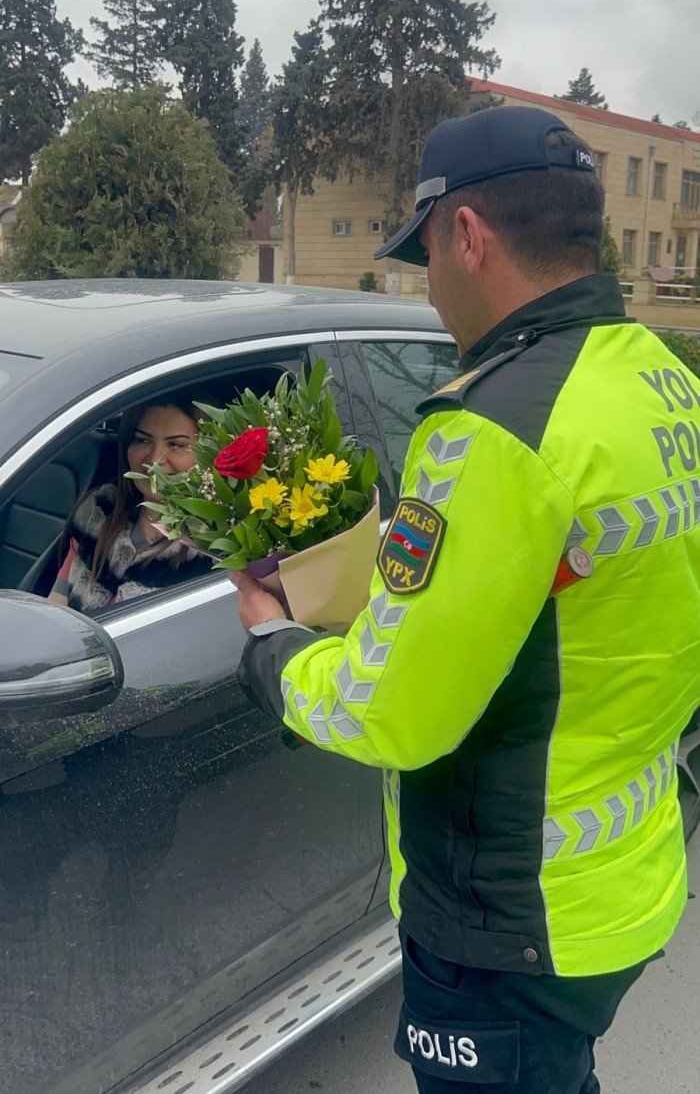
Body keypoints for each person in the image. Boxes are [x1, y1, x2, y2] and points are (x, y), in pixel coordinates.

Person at [233, 106, 700, 1092]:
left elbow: (389, 708)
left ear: (467, 235)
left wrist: (272, 645)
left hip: (508, 919)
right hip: (622, 876)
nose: (428, 287)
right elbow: (570, 599)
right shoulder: (658, 380)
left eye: (423, 259)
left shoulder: (495, 429)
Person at [49, 394, 213, 613]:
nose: (155, 459)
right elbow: (57, 601)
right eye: (142, 440)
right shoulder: (100, 510)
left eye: (176, 444)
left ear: (209, 454)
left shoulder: (215, 546)